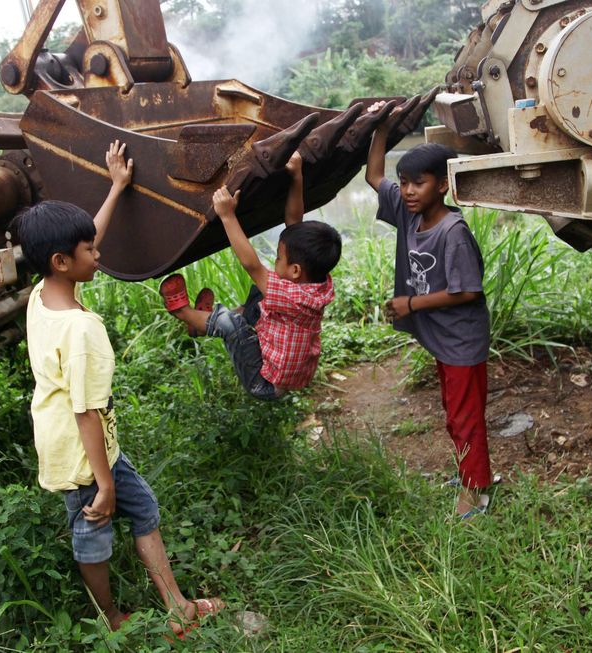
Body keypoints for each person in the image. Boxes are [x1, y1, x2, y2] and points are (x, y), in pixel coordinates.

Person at [13, 140, 223, 636]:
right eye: (89, 250)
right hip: (82, 455)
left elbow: (82, 241)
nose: (98, 253)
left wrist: (116, 188)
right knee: (93, 534)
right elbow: (86, 411)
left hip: (90, 446)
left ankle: (178, 608)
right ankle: (111, 620)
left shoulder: (43, 294)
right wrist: (104, 484)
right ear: (61, 261)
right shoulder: (81, 330)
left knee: (144, 507)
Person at [365, 104, 496, 517]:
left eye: (417, 184)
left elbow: (468, 291)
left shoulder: (452, 233)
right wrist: (382, 128)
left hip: (462, 341)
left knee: (465, 417)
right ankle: (471, 474)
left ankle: (475, 493)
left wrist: (410, 303)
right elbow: (373, 176)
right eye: (404, 183)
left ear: (442, 185)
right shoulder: (410, 214)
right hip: (443, 339)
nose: (407, 191)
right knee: (455, 414)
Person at [160, 152, 341, 400]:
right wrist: (296, 177)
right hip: (275, 354)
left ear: (296, 270)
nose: (275, 260)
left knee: (231, 324)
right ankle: (201, 325)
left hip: (264, 381)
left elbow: (252, 265)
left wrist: (227, 215)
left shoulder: (293, 297)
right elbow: (294, 223)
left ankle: (185, 314)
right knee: (261, 292)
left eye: (279, 258)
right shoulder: (316, 282)